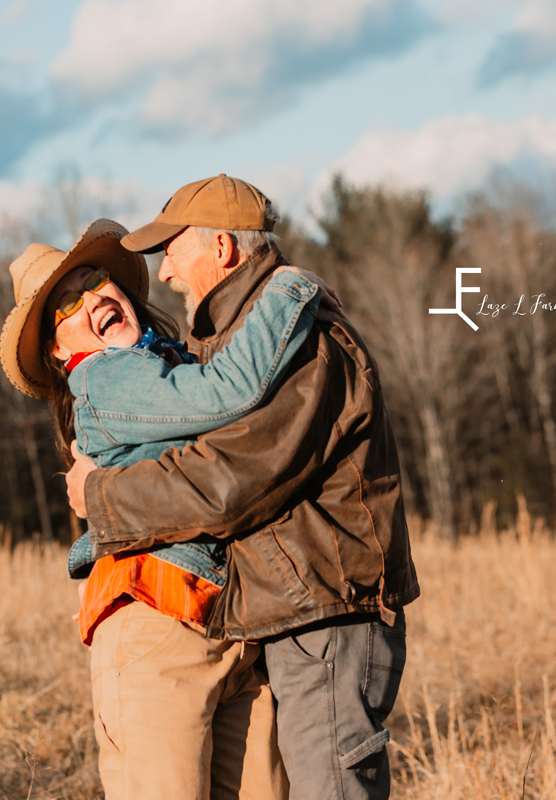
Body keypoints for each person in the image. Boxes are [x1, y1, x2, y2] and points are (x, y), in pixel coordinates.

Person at [65, 175, 421, 800]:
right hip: (293, 616)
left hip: (325, 615)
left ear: (222, 249)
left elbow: (231, 484)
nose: (166, 273)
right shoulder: (234, 346)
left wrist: (100, 498)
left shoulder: (300, 345)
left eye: (171, 250)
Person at [0, 218, 333, 800]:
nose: (92, 297)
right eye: (67, 304)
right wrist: (289, 287)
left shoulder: (173, 361)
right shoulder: (107, 376)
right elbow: (227, 395)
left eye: (96, 278)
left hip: (230, 626)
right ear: (58, 349)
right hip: (155, 622)